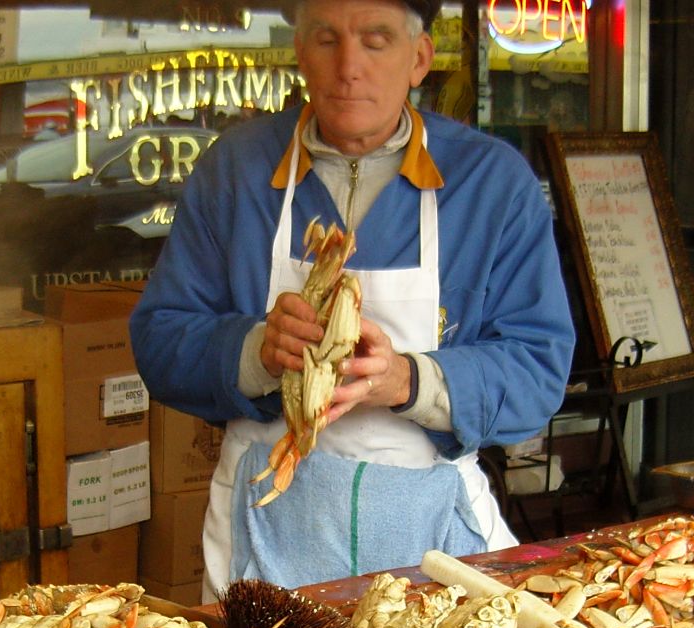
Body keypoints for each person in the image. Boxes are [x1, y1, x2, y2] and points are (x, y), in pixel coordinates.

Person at [129, 0, 574, 597]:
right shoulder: (234, 170)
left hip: (434, 543)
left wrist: (409, 381)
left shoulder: (492, 182)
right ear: (299, 53)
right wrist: (257, 351)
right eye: (326, 39)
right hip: (265, 536)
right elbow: (159, 338)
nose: (348, 66)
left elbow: (538, 365)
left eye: (376, 39)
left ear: (419, 58)